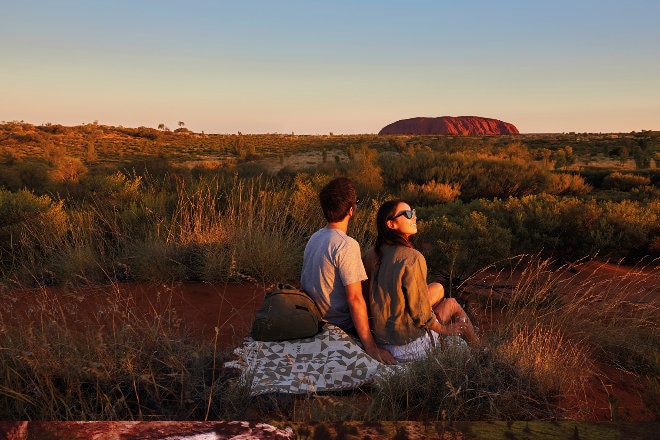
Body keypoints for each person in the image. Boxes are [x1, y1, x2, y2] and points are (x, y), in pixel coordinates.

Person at [362, 199, 479, 362]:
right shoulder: (412, 258)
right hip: (408, 347)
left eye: (414, 212)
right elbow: (420, 313)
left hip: (382, 341)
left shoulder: (369, 255)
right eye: (408, 214)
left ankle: (477, 347)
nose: (414, 217)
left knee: (437, 288)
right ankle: (480, 351)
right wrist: (444, 329)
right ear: (391, 224)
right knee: (452, 303)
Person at [301, 177, 396, 365]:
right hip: (340, 323)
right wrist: (370, 347)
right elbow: (354, 299)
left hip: (315, 317)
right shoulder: (346, 245)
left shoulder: (315, 237)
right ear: (351, 210)